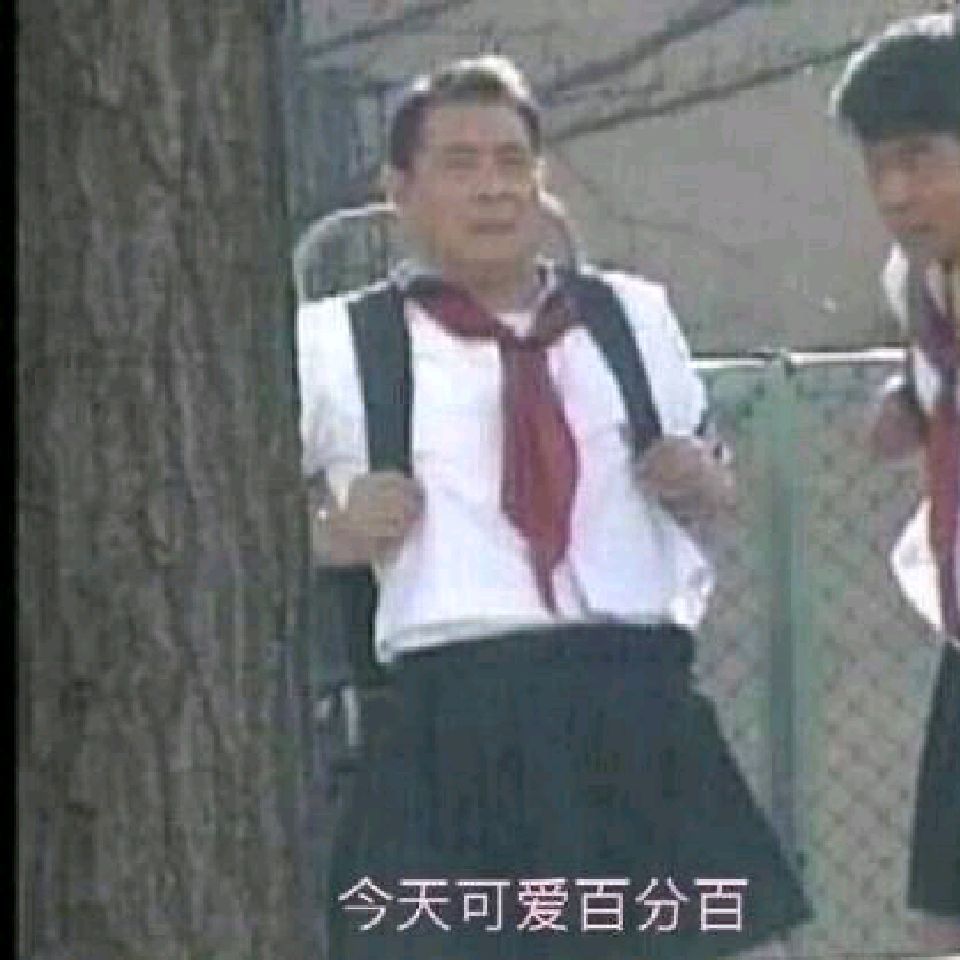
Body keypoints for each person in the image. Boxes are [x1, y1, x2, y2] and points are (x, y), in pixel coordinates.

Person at [298, 53, 810, 959]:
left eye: (512, 162)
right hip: (452, 719)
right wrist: (331, 535)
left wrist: (702, 480)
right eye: (460, 163)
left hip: (636, 703)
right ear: (400, 190)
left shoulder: (631, 316)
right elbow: (248, 534)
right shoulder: (337, 342)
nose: (493, 189)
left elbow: (714, 482)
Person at [830, 11, 960, 952]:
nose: (897, 193)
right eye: (878, 167)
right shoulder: (912, 280)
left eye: (920, 158)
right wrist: (913, 401)